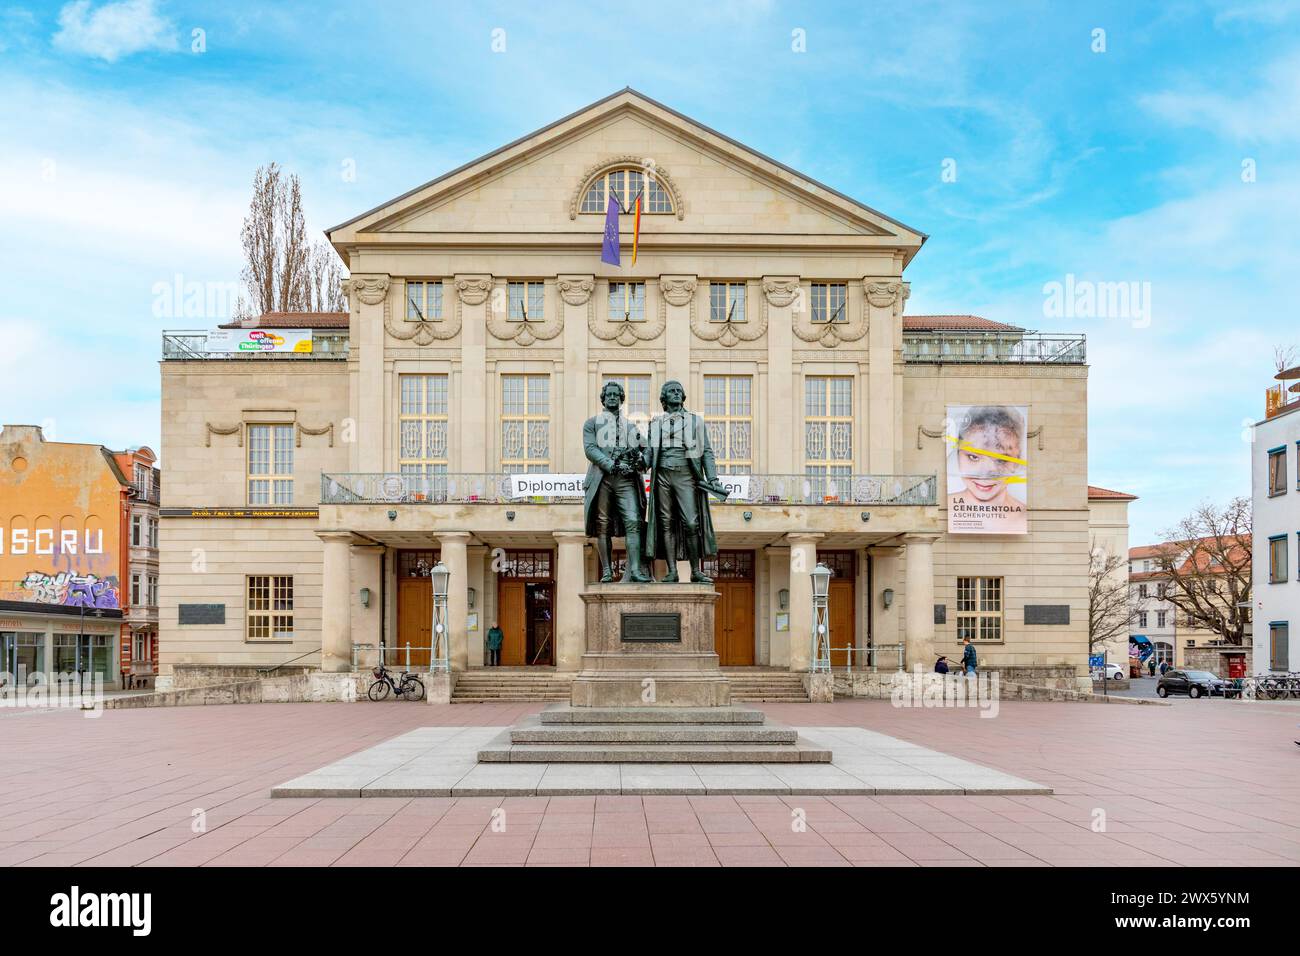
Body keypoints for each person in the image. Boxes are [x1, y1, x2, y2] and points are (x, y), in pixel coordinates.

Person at [946, 406, 1028, 534]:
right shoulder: (942, 510)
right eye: (973, 457)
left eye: (1000, 460)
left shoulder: (1025, 518)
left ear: (1018, 461)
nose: (985, 473)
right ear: (957, 455)